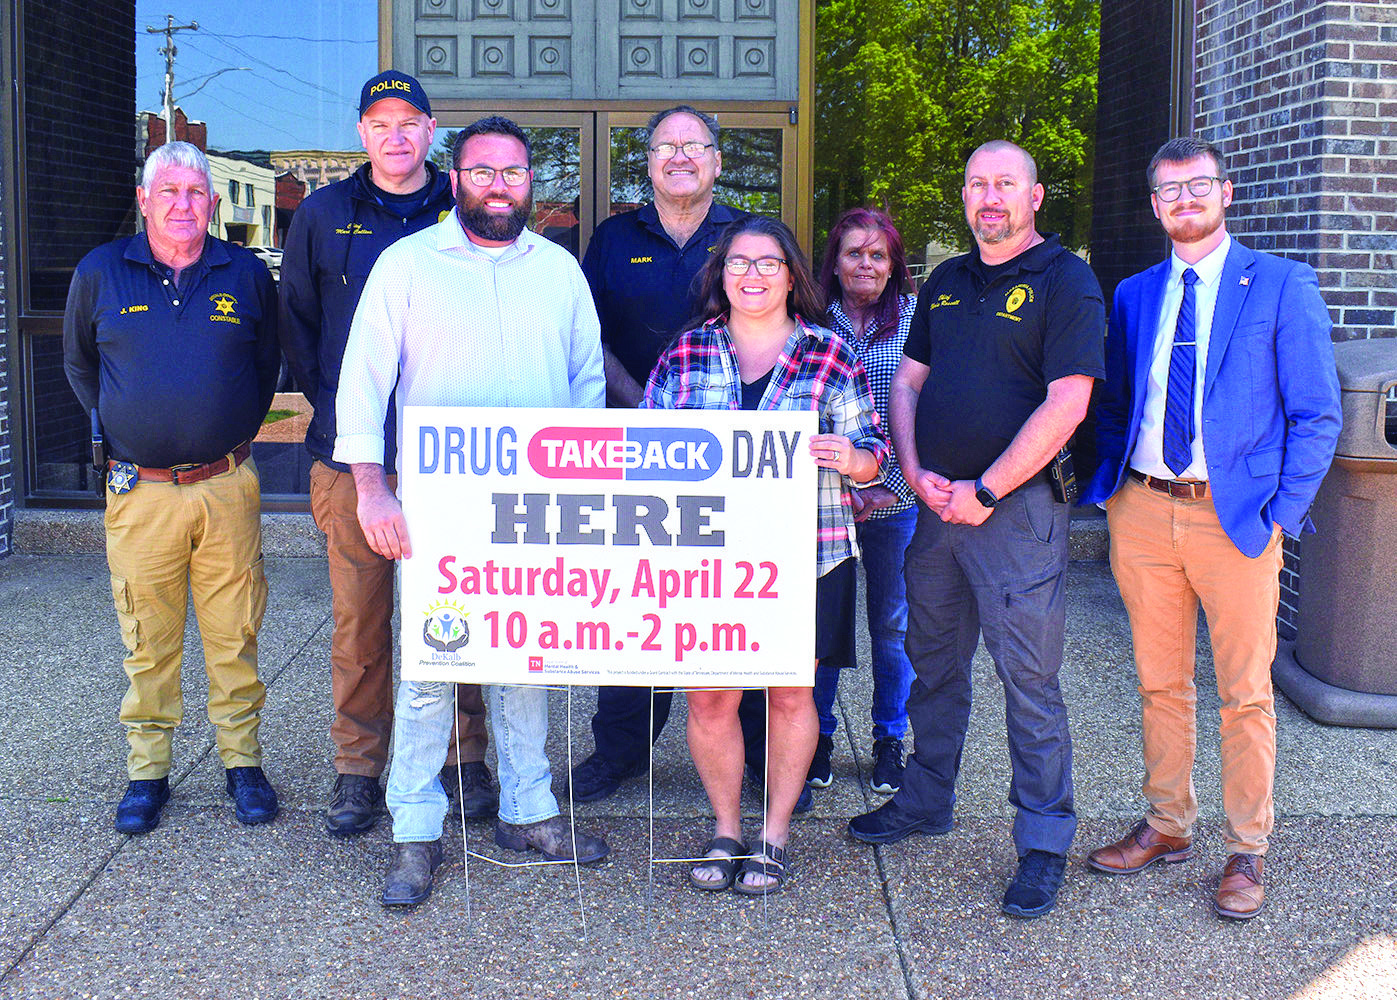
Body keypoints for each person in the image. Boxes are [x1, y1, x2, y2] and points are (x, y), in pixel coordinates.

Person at [334, 116, 609, 908]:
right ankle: (415, 831)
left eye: (514, 173)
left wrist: (587, 489)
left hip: (538, 511)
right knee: (429, 669)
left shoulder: (557, 272)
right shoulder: (408, 264)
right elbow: (363, 381)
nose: (498, 185)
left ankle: (528, 812)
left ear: (530, 183)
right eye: (483, 171)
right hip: (437, 511)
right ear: (455, 181)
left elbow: (586, 382)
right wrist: (371, 485)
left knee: (526, 662)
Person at [1083, 137, 1341, 921]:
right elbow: (1115, 401)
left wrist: (1279, 516)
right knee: (1160, 684)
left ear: (1224, 193)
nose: (1184, 200)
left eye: (1198, 186)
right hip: (1142, 508)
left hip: (1236, 522)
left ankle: (1246, 848)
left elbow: (1315, 413)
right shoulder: (1131, 293)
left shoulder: (1282, 284)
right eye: (1168, 191)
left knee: (1244, 693)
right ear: (1154, 206)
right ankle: (1167, 824)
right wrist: (1107, 491)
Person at [847, 140, 1105, 919]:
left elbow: (1067, 401)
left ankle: (1042, 841)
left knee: (1027, 679)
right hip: (936, 513)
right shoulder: (948, 280)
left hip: (1016, 515)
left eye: (1004, 184)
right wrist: (914, 468)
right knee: (933, 666)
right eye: (975, 185)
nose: (987, 197)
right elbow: (910, 379)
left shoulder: (1066, 280)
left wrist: (987, 489)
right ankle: (926, 801)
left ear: (1033, 197)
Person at [644, 216, 889, 895]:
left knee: (789, 695)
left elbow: (877, 458)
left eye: (768, 263)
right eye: (739, 263)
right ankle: (726, 828)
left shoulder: (829, 353)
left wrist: (853, 460)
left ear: (791, 276)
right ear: (720, 276)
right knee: (712, 698)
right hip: (704, 561)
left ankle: (774, 834)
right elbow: (641, 457)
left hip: (808, 555)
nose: (752, 275)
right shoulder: (685, 355)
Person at [279, 69, 493, 837]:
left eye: (410, 121)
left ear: (431, 131)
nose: (396, 134)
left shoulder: (463, 204)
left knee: (458, 613)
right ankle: (358, 771)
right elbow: (298, 326)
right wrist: (347, 415)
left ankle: (465, 758)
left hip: (456, 458)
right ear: (361, 132)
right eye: (380, 122)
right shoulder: (323, 213)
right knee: (359, 627)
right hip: (352, 463)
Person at [63, 141, 281, 834]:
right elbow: (79, 366)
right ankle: (147, 772)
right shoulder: (101, 273)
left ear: (213, 203)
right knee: (146, 637)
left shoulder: (244, 272)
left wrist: (221, 430)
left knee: (233, 632)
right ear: (145, 199)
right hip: (141, 493)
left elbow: (266, 364)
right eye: (170, 192)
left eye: (196, 193)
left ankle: (241, 763)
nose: (184, 205)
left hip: (226, 486)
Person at [571, 105, 771, 807]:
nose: (679, 157)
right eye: (665, 147)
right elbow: (583, 334)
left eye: (694, 146)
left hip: (736, 456)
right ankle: (620, 750)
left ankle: (759, 756)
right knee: (633, 599)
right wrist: (642, 407)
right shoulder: (612, 237)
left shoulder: (747, 236)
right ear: (648, 162)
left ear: (717, 160)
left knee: (739, 601)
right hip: (634, 444)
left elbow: (786, 321)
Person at [807, 207, 918, 798]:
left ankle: (889, 739)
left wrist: (882, 485)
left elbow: (927, 413)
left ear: (894, 263)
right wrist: (845, 488)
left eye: (879, 255)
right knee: (821, 626)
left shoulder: (917, 321)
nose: (867, 264)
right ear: (836, 261)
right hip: (823, 503)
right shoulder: (808, 321)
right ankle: (818, 737)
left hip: (895, 500)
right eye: (855, 253)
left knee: (892, 625)